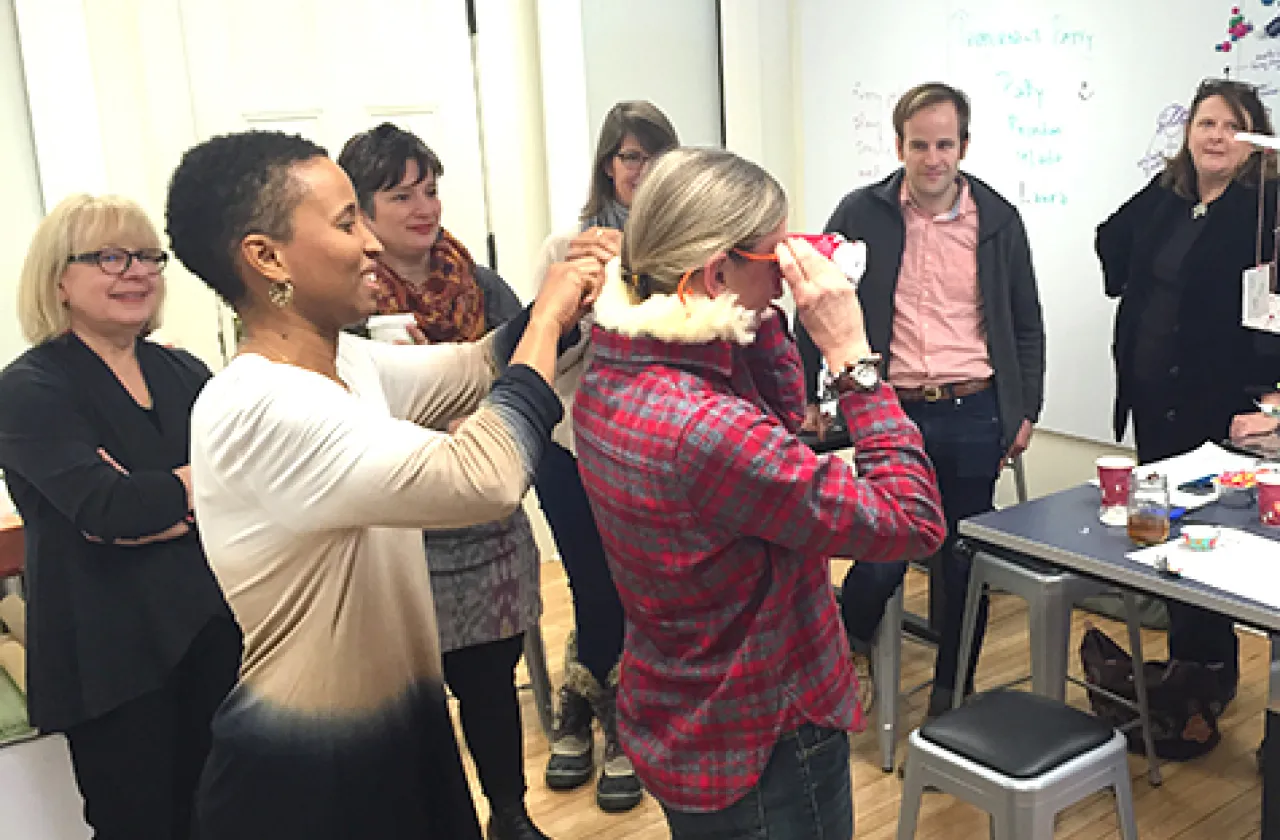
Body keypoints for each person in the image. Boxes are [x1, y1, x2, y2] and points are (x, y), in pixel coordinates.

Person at [164, 129, 598, 840]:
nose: (371, 242)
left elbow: (476, 366)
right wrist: (548, 314)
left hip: (401, 734)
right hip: (305, 777)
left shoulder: (348, 364)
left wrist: (575, 301)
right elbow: (483, 478)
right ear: (265, 256)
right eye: (344, 222)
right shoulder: (260, 407)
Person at [573, 146, 947, 838]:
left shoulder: (611, 368)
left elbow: (780, 422)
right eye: (775, 264)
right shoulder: (707, 433)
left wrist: (759, 307)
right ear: (717, 273)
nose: (786, 283)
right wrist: (850, 358)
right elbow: (913, 520)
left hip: (679, 709)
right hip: (763, 741)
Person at [800, 82, 1046, 718]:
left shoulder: (997, 221)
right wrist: (809, 395)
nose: (932, 158)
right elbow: (813, 302)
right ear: (899, 145)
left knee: (964, 556)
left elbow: (1025, 322)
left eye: (945, 144)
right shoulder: (861, 212)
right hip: (891, 408)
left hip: (976, 406)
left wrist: (1026, 409)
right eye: (919, 144)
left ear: (964, 145)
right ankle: (844, 649)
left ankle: (950, 697)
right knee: (884, 546)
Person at [0, 194, 241, 838]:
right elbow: (110, 508)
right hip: (110, 658)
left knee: (223, 816)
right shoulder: (29, 389)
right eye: (109, 257)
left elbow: (244, 486)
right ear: (59, 277)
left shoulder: (184, 371)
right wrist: (187, 488)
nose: (135, 271)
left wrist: (162, 494)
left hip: (210, 635)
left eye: (146, 257)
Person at [337, 123, 548, 840]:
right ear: (360, 211)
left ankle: (510, 816)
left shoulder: (481, 284)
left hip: (484, 524)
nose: (424, 207)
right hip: (399, 530)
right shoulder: (345, 304)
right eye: (402, 195)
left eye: (430, 189)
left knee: (492, 686)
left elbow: (528, 373)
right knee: (411, 704)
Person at [1097, 78, 1280, 705]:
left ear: (1256, 138)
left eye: (1233, 125)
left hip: (1225, 409)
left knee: (1216, 544)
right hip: (1155, 400)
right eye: (1206, 123)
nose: (1217, 136)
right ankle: (1187, 672)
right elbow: (1110, 242)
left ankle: (1210, 674)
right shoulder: (1169, 195)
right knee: (1168, 537)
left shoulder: (1268, 207)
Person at [530, 100, 678, 812]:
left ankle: (619, 715)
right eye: (628, 158)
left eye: (652, 157)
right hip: (571, 444)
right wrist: (586, 307)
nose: (639, 173)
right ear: (606, 165)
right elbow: (540, 349)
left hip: (650, 449)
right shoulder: (569, 242)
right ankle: (588, 705)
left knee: (640, 589)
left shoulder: (687, 247)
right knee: (593, 586)